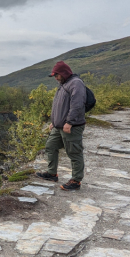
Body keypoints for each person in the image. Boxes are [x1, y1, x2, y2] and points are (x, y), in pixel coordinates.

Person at [35, 61, 86, 191]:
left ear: (63, 73)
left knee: (74, 152)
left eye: (56, 75)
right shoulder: (63, 84)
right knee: (50, 146)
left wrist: (70, 122)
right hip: (59, 126)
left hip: (71, 126)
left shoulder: (76, 83)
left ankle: (76, 180)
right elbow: (60, 106)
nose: (55, 78)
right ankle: (52, 174)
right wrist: (55, 121)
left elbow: (77, 104)